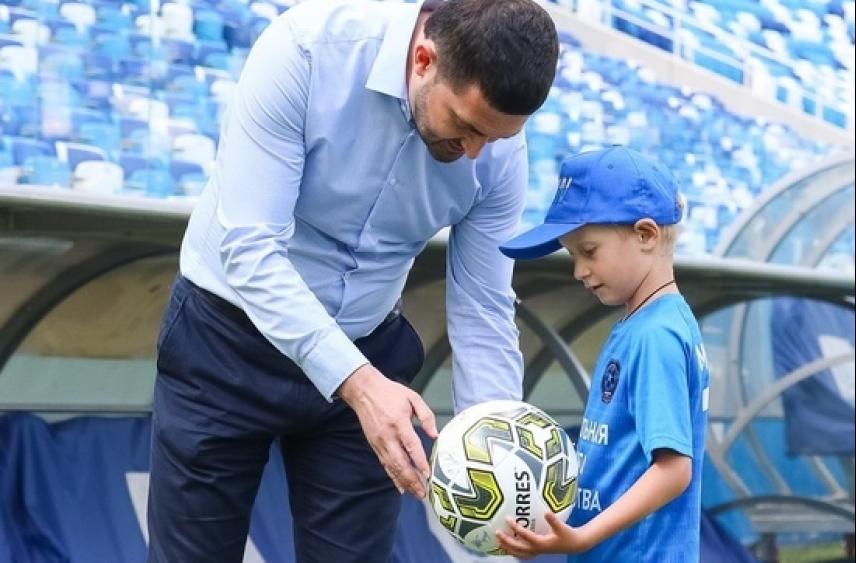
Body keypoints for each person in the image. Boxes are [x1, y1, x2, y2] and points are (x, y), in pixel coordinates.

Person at [146, 0, 559, 561]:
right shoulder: (304, 51)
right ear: (423, 58)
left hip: (371, 349)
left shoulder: (499, 151)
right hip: (227, 341)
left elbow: (483, 304)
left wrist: (502, 462)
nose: (476, 153)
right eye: (465, 126)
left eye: (497, 137)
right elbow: (250, 250)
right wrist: (359, 385)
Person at [496, 146, 710, 562]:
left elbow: (672, 470)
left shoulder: (657, 335)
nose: (578, 270)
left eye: (589, 251)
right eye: (573, 255)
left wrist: (584, 537)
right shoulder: (642, 324)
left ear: (645, 235)